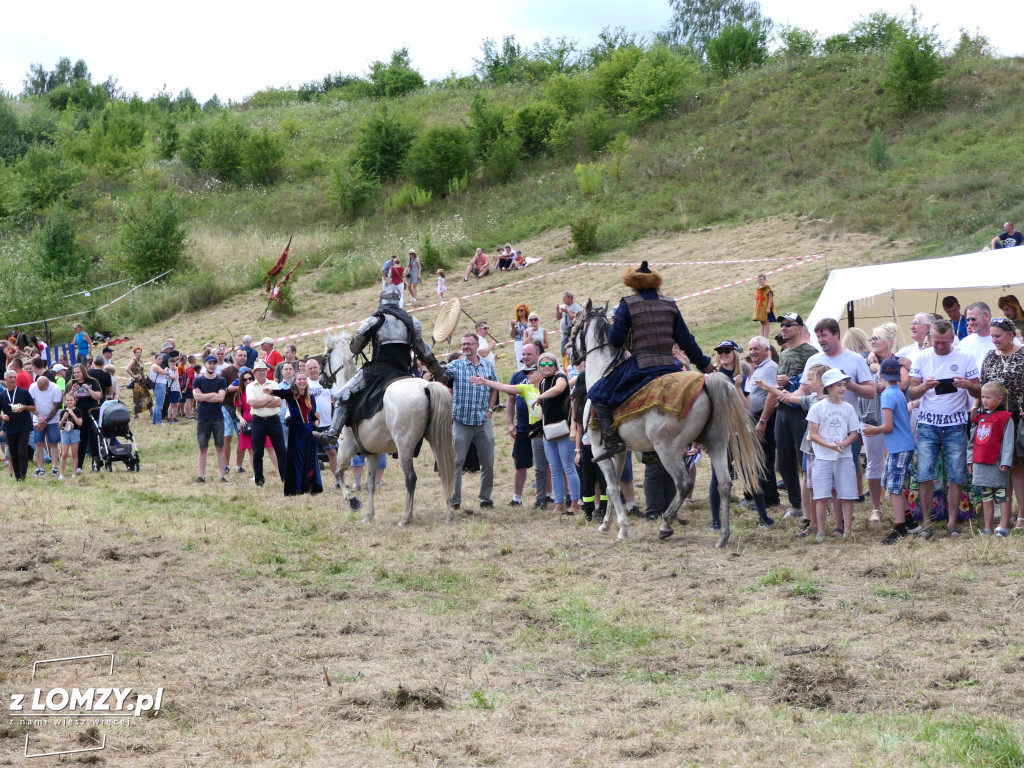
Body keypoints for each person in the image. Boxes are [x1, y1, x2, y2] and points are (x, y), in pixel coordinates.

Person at [587, 262, 713, 462]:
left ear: (634, 285)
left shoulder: (628, 304)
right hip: (669, 365)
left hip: (640, 366)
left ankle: (611, 441)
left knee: (597, 394)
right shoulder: (670, 304)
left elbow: (616, 340)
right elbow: (686, 340)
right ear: (656, 285)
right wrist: (704, 364)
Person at [318, 286, 447, 441]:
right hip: (404, 371)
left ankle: (333, 433)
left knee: (343, 394)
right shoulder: (412, 322)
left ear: (381, 301)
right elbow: (426, 353)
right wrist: (439, 374)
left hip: (378, 371)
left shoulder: (375, 320)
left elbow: (354, 348)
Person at [908, 319, 980, 537]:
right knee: (924, 474)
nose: (940, 347)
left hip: (956, 424)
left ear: (952, 339)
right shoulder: (921, 356)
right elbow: (911, 393)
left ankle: (952, 524)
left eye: (945, 343)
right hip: (928, 424)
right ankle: (927, 524)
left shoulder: (965, 356)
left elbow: (978, 391)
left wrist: (967, 385)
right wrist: (924, 386)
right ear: (930, 338)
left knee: (957, 475)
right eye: (936, 342)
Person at [862, 359, 919, 544]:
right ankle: (910, 522)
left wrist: (873, 430)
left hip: (898, 447)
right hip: (902, 444)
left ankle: (900, 527)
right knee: (892, 483)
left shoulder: (887, 395)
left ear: (880, 375)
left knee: (894, 488)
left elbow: (887, 426)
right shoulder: (898, 392)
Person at [770, 313, 818, 520]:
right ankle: (796, 503)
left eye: (789, 324)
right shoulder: (785, 353)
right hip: (782, 410)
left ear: (800, 328)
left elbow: (815, 380)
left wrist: (790, 380)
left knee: (805, 460)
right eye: (782, 325)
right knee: (783, 461)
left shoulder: (811, 352)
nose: (784, 328)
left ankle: (815, 502)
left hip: (801, 411)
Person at [979, 317, 1024, 531]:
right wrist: (976, 411)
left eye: (998, 336)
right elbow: (982, 386)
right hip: (995, 419)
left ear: (1010, 335)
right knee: (1001, 465)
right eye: (992, 336)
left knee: (1017, 466)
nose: (994, 340)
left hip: (1018, 416)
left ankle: (1022, 515)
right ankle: (1005, 517)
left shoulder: (1022, 355)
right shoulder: (989, 357)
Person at [807, 369, 862, 541]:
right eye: (839, 385)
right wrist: (830, 445)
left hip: (843, 456)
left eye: (844, 385)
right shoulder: (817, 407)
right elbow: (813, 434)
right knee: (821, 495)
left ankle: (847, 530)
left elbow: (854, 432)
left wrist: (844, 443)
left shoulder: (848, 408)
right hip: (823, 457)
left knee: (846, 493)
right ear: (828, 387)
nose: (843, 388)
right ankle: (821, 531)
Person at [446, 333, 497, 511]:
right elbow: (440, 373)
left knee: (488, 462)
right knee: (457, 461)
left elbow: (494, 389)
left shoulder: (488, 366)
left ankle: (485, 498)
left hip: (483, 421)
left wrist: (490, 410)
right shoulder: (456, 365)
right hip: (461, 421)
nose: (465, 347)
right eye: (463, 344)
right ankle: (455, 500)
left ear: (476, 345)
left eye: (469, 344)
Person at [532, 352, 580, 515]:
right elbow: (545, 409)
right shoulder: (543, 382)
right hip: (549, 432)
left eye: (549, 364)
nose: (546, 367)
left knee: (568, 467)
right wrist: (539, 425)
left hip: (564, 429)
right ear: (539, 367)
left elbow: (559, 389)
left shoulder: (561, 376)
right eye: (543, 365)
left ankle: (574, 504)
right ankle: (559, 504)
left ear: (555, 364)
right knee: (554, 468)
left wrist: (539, 397)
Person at [970, 381, 1015, 536]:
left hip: (997, 463)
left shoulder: (1005, 417)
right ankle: (987, 527)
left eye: (988, 397)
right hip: (981, 463)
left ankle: (1004, 526)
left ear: (1000, 399)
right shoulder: (980, 418)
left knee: (1002, 495)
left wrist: (1005, 461)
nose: (984, 400)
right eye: (982, 397)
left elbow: (1008, 442)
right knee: (986, 495)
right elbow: (973, 441)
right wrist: (970, 460)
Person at [743, 336, 779, 523]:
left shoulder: (770, 367)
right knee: (758, 457)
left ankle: (770, 498)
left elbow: (771, 396)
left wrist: (763, 420)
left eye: (756, 348)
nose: (752, 352)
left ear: (767, 350)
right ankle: (761, 496)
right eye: (750, 349)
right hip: (755, 418)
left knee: (765, 458)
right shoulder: (757, 368)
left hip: (765, 418)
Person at [278, 372, 323, 496]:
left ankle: (309, 483)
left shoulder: (311, 397)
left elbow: (312, 414)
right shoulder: (291, 394)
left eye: (304, 379)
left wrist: (316, 420)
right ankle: (297, 486)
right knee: (297, 459)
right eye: (299, 379)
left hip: (309, 432)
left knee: (310, 458)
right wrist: (269, 391)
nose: (302, 381)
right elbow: (280, 392)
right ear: (295, 381)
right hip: (296, 432)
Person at [247, 361, 286, 487]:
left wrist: (261, 402)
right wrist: (270, 398)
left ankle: (285, 477)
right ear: (255, 373)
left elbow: (279, 402)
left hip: (274, 419)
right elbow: (253, 403)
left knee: (281, 450)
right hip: (258, 421)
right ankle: (259, 480)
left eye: (264, 370)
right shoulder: (250, 386)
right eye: (259, 370)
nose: (262, 372)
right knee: (258, 452)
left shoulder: (274, 384)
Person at [193, 355, 228, 484]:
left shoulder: (221, 381)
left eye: (214, 363)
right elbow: (197, 398)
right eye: (210, 363)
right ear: (205, 364)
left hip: (218, 418)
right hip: (202, 418)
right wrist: (213, 394)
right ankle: (201, 476)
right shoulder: (197, 380)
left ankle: (222, 475)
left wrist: (205, 396)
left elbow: (220, 398)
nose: (212, 366)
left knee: (220, 447)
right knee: (203, 448)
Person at [0, 369, 35, 481]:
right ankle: (17, 477)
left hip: (24, 426)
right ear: (5, 380)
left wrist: (24, 407)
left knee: (21, 452)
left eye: (15, 377)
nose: (13, 379)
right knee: (14, 454)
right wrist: (2, 417)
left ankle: (23, 477)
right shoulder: (2, 395)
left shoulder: (23, 392)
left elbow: (34, 408)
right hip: (10, 428)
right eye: (10, 377)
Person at [29, 371, 62, 477]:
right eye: (38, 386)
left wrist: (46, 421)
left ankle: (54, 467)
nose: (39, 389)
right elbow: (30, 404)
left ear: (47, 385)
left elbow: (56, 407)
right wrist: (39, 416)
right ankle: (40, 468)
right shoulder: (33, 387)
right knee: (39, 443)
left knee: (53, 443)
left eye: (41, 387)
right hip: (37, 419)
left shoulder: (55, 389)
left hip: (52, 420)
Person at [57, 390, 83, 479]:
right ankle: (61, 473)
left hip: (75, 432)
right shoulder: (62, 412)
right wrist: (63, 418)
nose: (69, 402)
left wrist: (72, 414)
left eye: (71, 400)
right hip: (65, 433)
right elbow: (60, 426)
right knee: (64, 454)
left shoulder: (78, 411)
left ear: (74, 401)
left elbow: (80, 423)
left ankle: (74, 472)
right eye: (67, 400)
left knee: (74, 453)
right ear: (65, 401)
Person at [555, 292, 582, 361]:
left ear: (570, 298)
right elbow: (558, 317)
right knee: (563, 351)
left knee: (572, 349)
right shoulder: (564, 306)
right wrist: (557, 310)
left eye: (564, 298)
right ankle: (565, 363)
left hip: (572, 332)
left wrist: (567, 311)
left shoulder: (576, 306)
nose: (563, 300)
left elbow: (575, 317)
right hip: (564, 332)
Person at [752, 273, 775, 338]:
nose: (760, 281)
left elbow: (770, 298)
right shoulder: (758, 289)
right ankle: (763, 337)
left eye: (761, 279)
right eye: (759, 280)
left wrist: (768, 308)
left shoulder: (767, 288)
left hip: (766, 308)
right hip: (760, 309)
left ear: (764, 280)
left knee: (766, 322)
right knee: (762, 322)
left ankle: (765, 337)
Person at [510, 304, 531, 369]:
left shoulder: (530, 321)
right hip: (519, 343)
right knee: (520, 361)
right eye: (518, 310)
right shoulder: (515, 322)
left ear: (525, 311)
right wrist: (513, 327)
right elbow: (513, 336)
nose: (519, 312)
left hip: (529, 343)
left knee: (530, 360)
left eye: (521, 310)